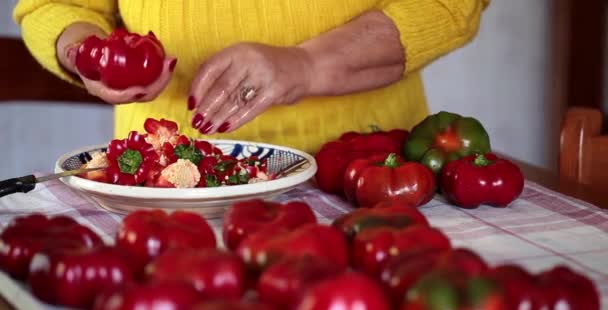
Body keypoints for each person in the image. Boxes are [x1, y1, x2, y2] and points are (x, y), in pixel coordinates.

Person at [13, 0, 490, 154]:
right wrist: (86, 52)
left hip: (366, 175)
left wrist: (307, 65)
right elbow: (52, 6)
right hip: (170, 183)